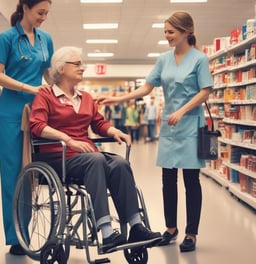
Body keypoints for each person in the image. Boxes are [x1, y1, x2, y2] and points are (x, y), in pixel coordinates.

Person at [97, 11, 213, 252]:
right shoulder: (163, 59)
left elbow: (205, 91)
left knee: (191, 180)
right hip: (171, 128)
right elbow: (146, 88)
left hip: (191, 124)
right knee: (167, 178)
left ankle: (191, 233)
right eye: (165, 32)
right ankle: (171, 228)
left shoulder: (199, 59)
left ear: (186, 32)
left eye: (171, 32)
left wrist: (182, 110)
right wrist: (115, 99)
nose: (167, 36)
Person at [29, 46, 162, 253]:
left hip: (86, 155)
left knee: (119, 163)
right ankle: (107, 232)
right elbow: (36, 125)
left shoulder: (86, 98)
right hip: (58, 156)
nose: (82, 68)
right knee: (96, 160)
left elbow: (98, 123)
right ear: (61, 68)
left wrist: (115, 131)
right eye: (77, 64)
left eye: (82, 64)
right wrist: (67, 139)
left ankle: (136, 226)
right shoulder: (46, 96)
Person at [0, 0, 54, 255]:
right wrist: (29, 88)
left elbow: (48, 74)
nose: (44, 18)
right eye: (40, 12)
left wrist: (66, 89)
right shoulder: (7, 38)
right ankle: (16, 236)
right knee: (14, 174)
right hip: (12, 113)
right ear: (25, 8)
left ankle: (32, 228)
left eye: (47, 13)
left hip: (38, 111)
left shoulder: (45, 39)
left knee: (35, 174)